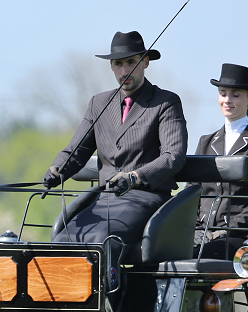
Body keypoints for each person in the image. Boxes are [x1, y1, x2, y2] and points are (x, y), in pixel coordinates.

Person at [45, 30, 187, 266]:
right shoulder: (99, 103)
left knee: (102, 239)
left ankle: (107, 300)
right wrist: (57, 170)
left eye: (131, 62)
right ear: (111, 66)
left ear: (145, 62)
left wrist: (134, 177)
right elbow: (77, 150)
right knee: (62, 240)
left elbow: (173, 156)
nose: (125, 71)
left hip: (145, 198)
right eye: (118, 64)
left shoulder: (165, 102)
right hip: (104, 200)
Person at [194, 63, 248, 259]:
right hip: (200, 233)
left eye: (235, 95)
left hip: (239, 237)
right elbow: (192, 192)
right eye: (223, 94)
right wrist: (196, 227)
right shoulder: (206, 142)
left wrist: (226, 229)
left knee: (197, 254)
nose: (227, 100)